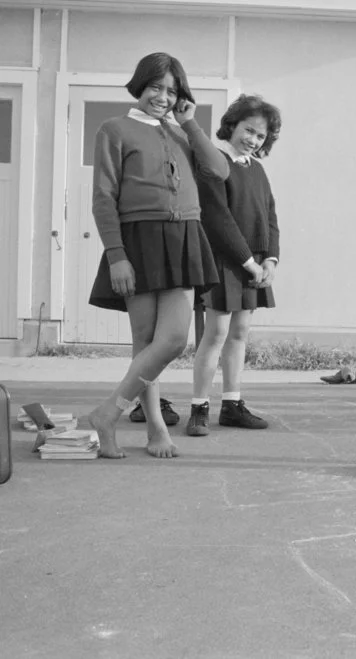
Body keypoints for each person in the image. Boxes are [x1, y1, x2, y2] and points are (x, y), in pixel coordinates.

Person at [87, 52, 229, 458]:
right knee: (145, 341)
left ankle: (109, 413)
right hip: (139, 238)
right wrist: (117, 255)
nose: (163, 96)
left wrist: (189, 122)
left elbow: (218, 171)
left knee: (172, 341)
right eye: (156, 87)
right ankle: (154, 430)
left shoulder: (182, 131)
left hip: (183, 236)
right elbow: (103, 198)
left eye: (172, 90)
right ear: (140, 85)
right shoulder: (113, 129)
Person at [185, 94, 282, 436]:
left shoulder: (256, 169)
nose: (253, 139)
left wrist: (269, 259)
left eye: (260, 136)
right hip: (224, 261)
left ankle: (232, 404)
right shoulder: (215, 162)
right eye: (248, 130)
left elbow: (269, 216)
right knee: (215, 334)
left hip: (253, 265)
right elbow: (217, 218)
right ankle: (199, 407)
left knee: (240, 334)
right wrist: (247, 263)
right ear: (232, 125)